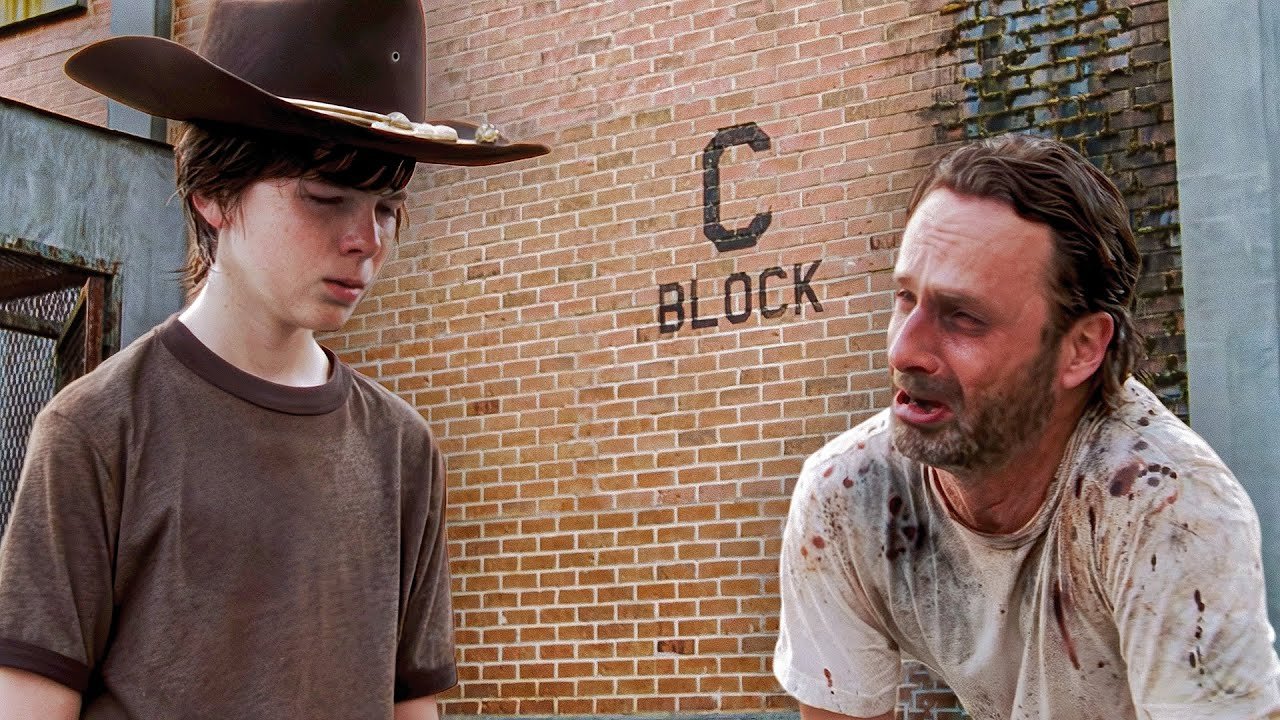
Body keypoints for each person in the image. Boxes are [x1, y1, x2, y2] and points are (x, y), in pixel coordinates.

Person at [0, 1, 546, 718]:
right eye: (325, 197)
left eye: (387, 207)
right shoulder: (98, 430)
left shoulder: (401, 448)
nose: (367, 240)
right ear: (213, 193)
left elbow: (412, 705)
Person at [773, 134, 1280, 719]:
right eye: (905, 298)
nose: (903, 351)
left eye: (964, 317)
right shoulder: (849, 493)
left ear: (1081, 347)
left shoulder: (1169, 509)